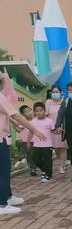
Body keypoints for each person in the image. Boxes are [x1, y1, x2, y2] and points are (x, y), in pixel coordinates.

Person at [0, 72, 46, 215]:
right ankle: (2, 204)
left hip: (3, 138)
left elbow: (7, 111)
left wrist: (6, 78)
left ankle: (7, 197)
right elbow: (16, 114)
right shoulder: (0, 97)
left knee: (5, 170)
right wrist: (35, 130)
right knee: (3, 171)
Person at [28, 102, 54, 182]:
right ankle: (44, 171)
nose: (39, 112)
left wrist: (58, 131)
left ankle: (48, 175)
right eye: (37, 111)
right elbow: (31, 132)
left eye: (41, 110)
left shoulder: (50, 121)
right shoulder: (32, 122)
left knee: (48, 161)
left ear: (44, 111)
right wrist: (28, 142)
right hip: (36, 145)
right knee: (36, 159)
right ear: (34, 112)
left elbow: (53, 131)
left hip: (47, 145)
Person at [46, 85, 67, 174]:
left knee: (62, 147)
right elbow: (46, 114)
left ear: (60, 92)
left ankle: (61, 166)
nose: (55, 93)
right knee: (55, 148)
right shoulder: (48, 102)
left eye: (56, 92)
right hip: (51, 129)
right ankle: (63, 162)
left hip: (61, 128)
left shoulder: (64, 102)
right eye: (53, 92)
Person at [16, 105, 37, 176]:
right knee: (29, 155)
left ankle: (36, 165)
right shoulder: (23, 122)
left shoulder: (36, 120)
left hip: (36, 140)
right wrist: (14, 125)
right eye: (26, 112)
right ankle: (33, 168)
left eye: (29, 110)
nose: (29, 113)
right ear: (22, 114)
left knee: (35, 154)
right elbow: (19, 130)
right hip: (26, 141)